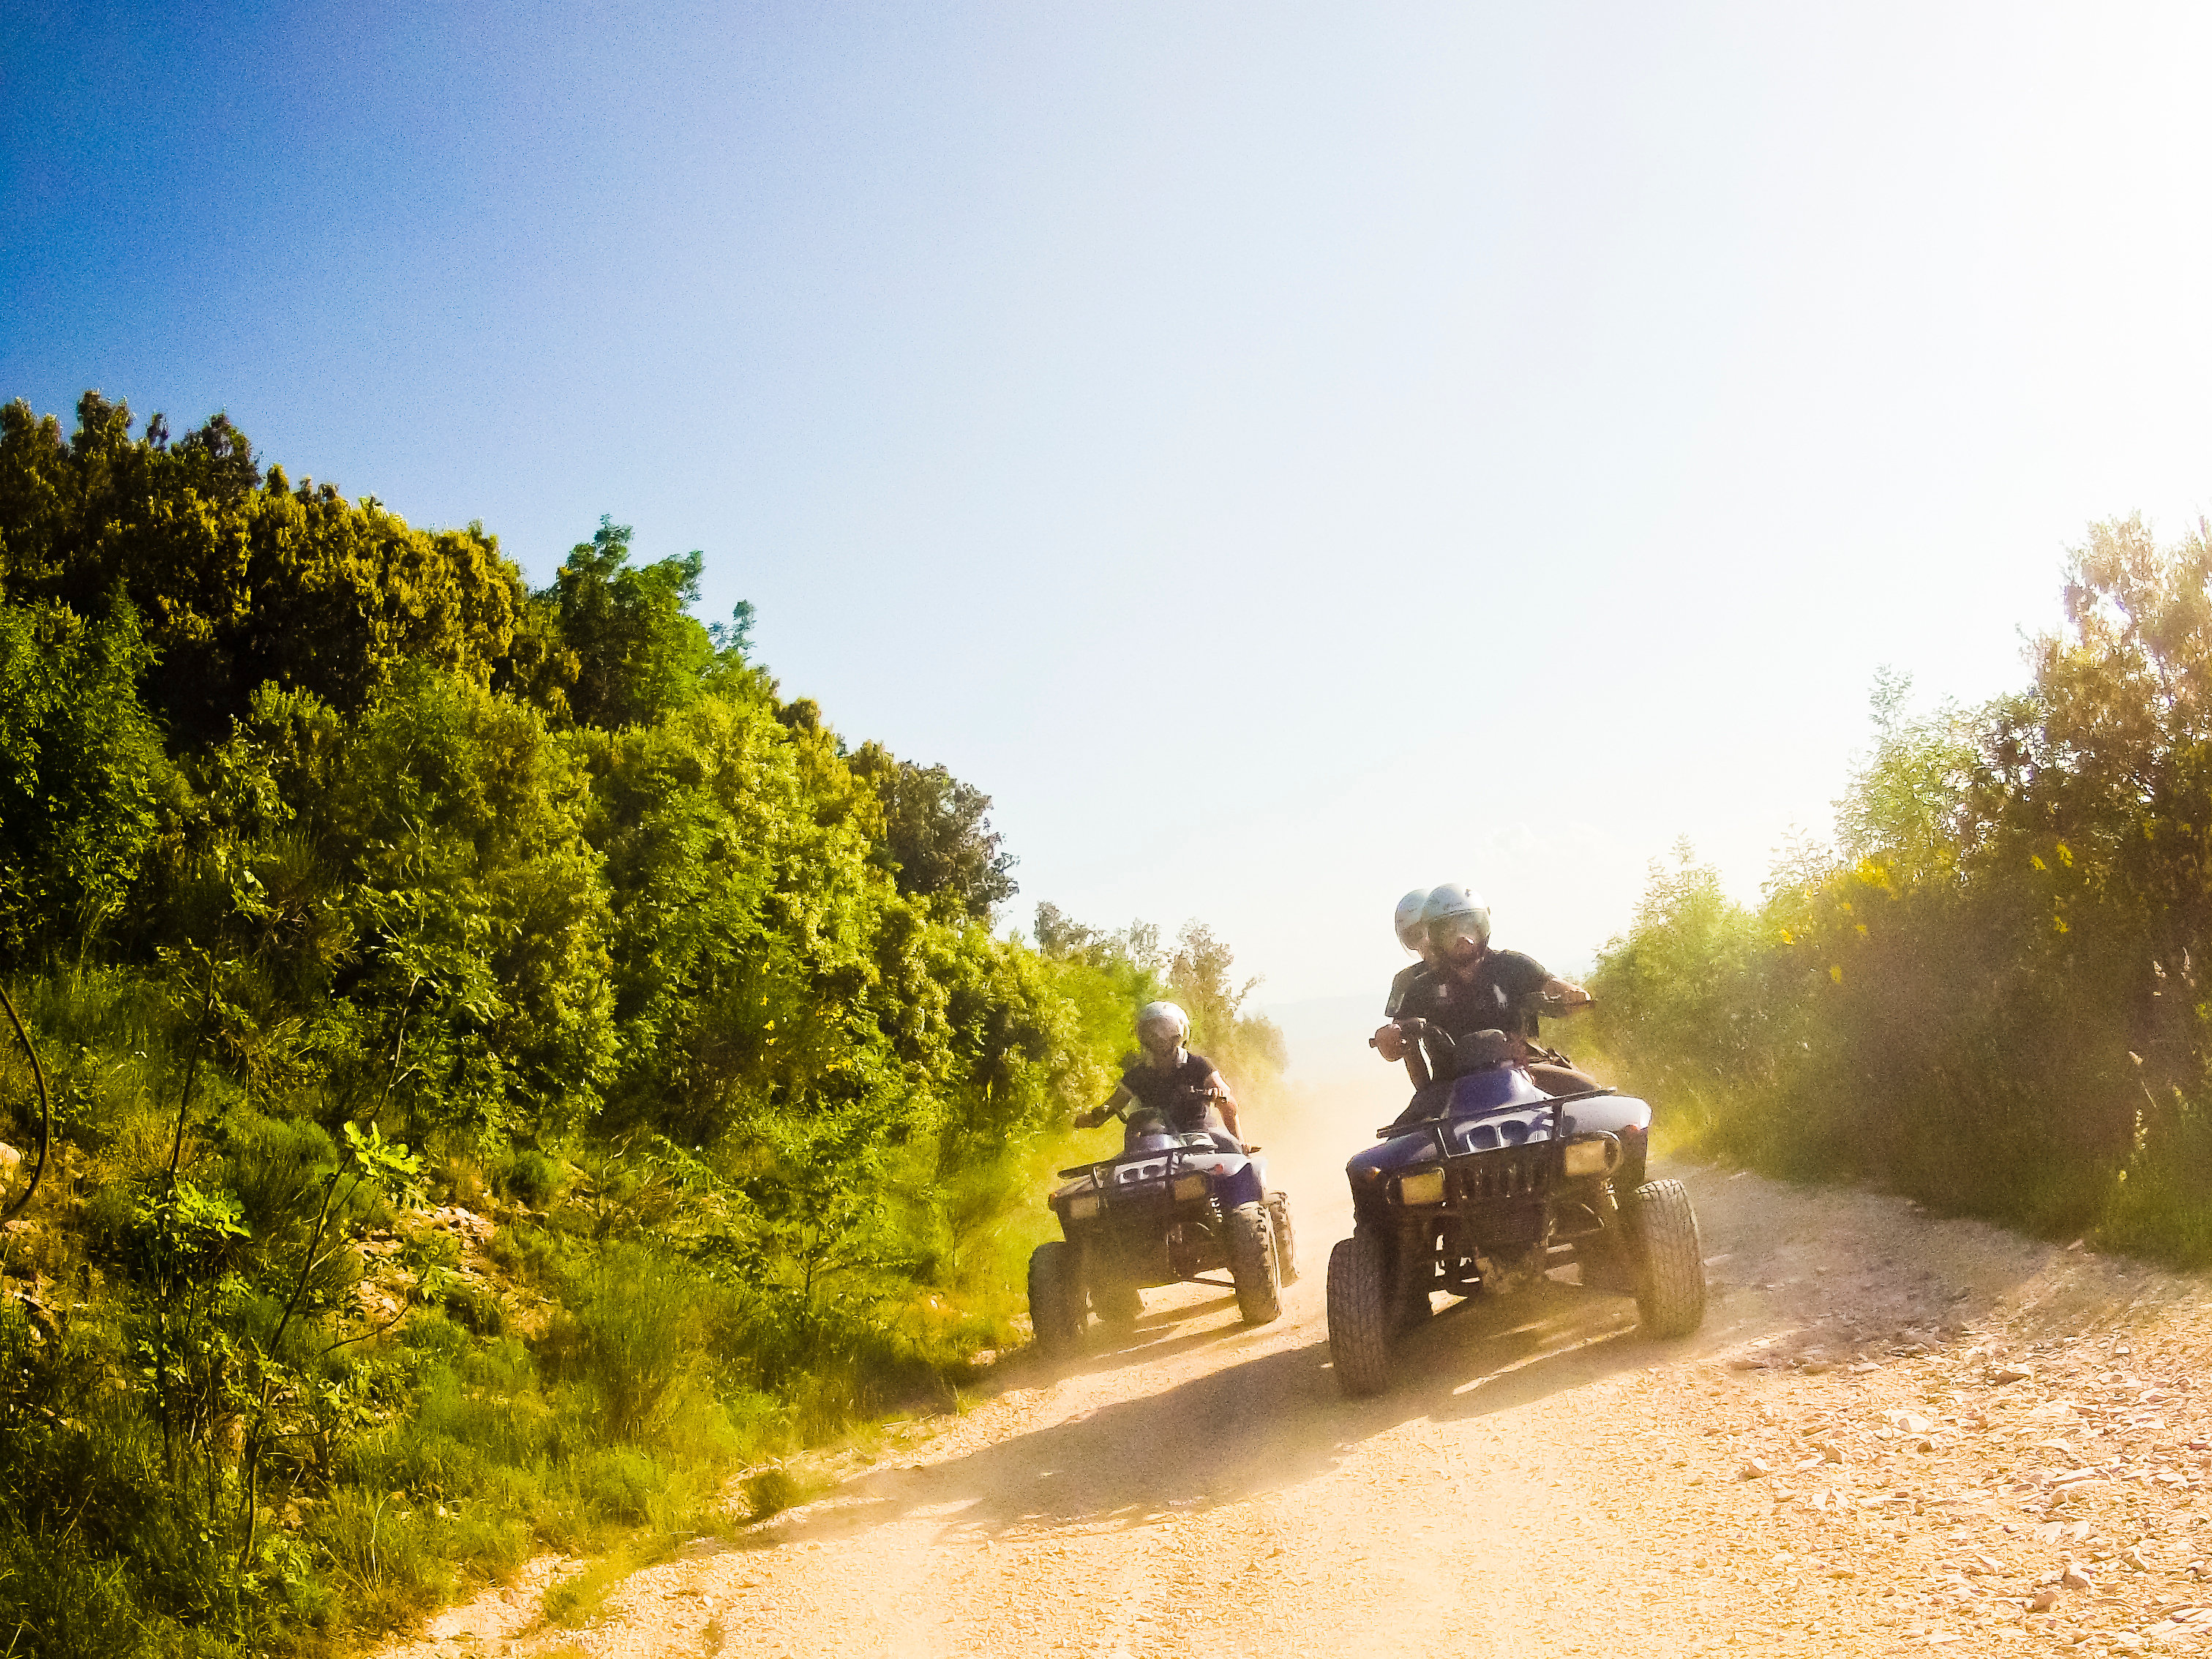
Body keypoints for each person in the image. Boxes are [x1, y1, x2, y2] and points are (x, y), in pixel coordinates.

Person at [1371, 885, 1602, 1097]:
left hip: (1528, 1070)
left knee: (1599, 1100)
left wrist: (1573, 993)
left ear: (1482, 925)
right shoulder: (1419, 987)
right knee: (1406, 1130)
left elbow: (1553, 985)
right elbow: (1397, 1038)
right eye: (1449, 931)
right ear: (1434, 935)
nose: (1462, 938)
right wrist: (1389, 1038)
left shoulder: (1514, 965)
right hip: (1450, 1088)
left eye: (1468, 926)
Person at [1075, 1000, 1247, 1146]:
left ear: (1179, 1034)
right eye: (1151, 1031)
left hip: (1197, 1137)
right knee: (1119, 1170)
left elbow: (1228, 1100)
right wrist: (1084, 1119)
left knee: (1213, 1161)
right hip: (1153, 1141)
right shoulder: (1138, 1075)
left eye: (1165, 1030)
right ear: (1143, 1035)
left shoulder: (1198, 1065)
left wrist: (1220, 1095)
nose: (1158, 1036)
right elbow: (1110, 1107)